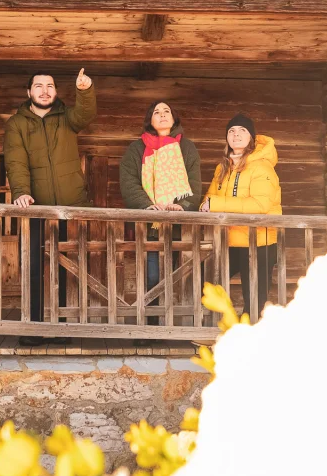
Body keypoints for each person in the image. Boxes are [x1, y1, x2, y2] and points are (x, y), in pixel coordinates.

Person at [3, 69, 97, 342]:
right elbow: (16, 161)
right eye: (38, 86)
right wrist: (21, 192)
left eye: (50, 86)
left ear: (56, 92)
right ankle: (34, 328)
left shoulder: (67, 117)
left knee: (66, 267)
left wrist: (84, 90)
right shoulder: (17, 124)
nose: (45, 90)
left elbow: (86, 114)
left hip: (69, 205)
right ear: (28, 92)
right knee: (34, 266)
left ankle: (62, 326)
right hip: (36, 207)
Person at [120, 101, 202, 314]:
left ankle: (182, 327)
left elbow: (194, 183)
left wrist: (182, 206)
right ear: (150, 120)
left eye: (167, 111)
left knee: (183, 274)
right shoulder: (137, 149)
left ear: (174, 118)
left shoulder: (187, 147)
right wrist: (147, 205)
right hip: (151, 225)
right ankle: (151, 326)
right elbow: (129, 182)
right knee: (152, 276)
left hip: (180, 225)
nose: (162, 115)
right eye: (157, 112)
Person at [201, 114, 282, 316]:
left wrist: (215, 204)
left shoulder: (262, 167)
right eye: (231, 131)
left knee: (254, 298)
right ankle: (219, 329)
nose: (236, 135)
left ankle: (248, 341)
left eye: (242, 131)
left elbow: (260, 204)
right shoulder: (223, 168)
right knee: (206, 283)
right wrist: (207, 204)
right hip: (228, 240)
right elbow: (208, 199)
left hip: (259, 242)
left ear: (251, 138)